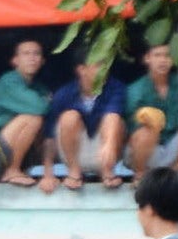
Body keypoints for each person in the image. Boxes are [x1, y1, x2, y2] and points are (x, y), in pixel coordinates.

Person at [125, 45, 178, 180]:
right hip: (144, 151)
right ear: (147, 58)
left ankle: (172, 174)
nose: (163, 60)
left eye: (167, 55)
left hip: (170, 147)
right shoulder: (135, 90)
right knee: (145, 132)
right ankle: (140, 177)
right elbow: (131, 133)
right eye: (157, 55)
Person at [0, 39, 53, 187]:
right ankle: (12, 171)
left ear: (42, 61)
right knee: (33, 118)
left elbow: (53, 113)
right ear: (15, 60)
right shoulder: (9, 81)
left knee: (49, 127)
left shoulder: (38, 87)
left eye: (36, 54)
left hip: (10, 156)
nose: (32, 57)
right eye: (26, 53)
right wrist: (49, 102)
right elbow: (41, 107)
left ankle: (40, 172)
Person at [47, 56, 123, 188]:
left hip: (106, 153)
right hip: (74, 153)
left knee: (115, 119)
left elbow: (112, 115)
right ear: (82, 69)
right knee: (69, 117)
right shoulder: (64, 94)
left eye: (106, 65)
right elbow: (49, 136)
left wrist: (109, 146)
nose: (104, 69)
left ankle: (107, 171)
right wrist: (48, 174)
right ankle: (74, 172)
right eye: (98, 65)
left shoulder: (116, 87)